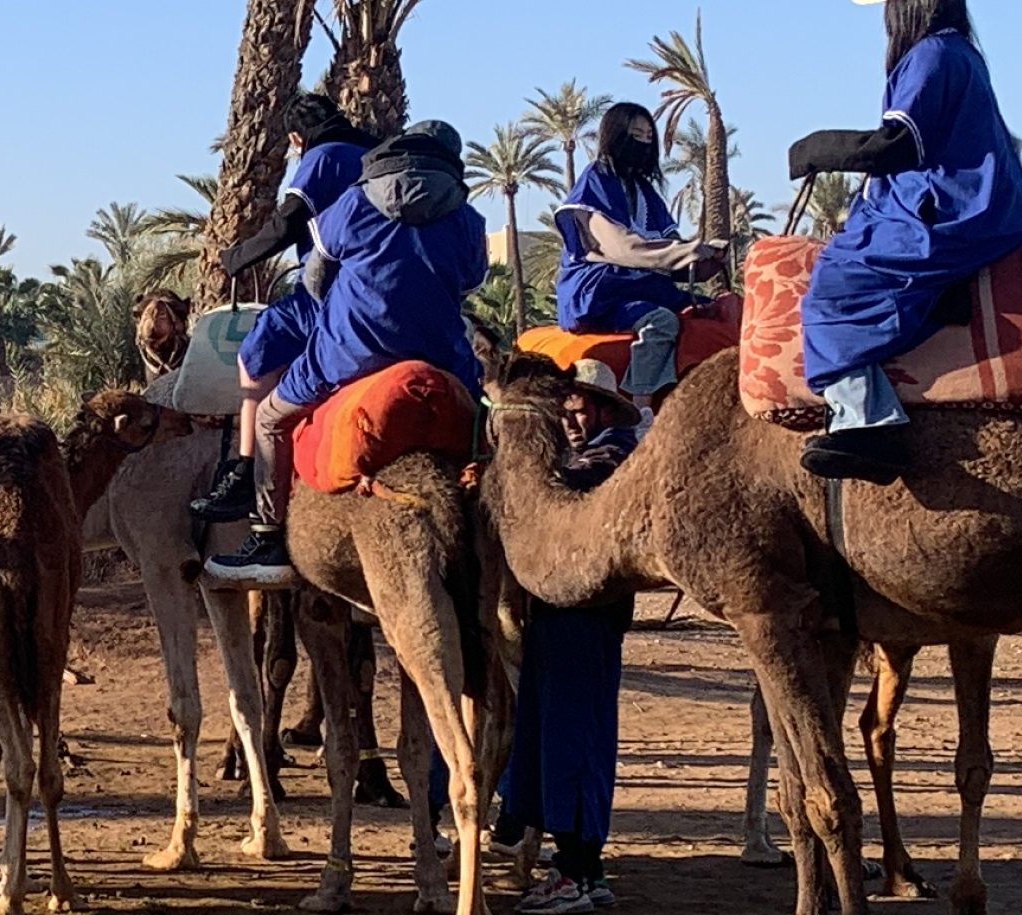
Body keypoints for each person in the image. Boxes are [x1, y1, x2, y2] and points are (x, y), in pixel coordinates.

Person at [789, 0, 1022, 483]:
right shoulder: (962, 54)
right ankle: (935, 303)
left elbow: (898, 144)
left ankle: (865, 424)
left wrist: (814, 149)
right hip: (986, 207)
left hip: (954, 211)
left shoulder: (931, 55)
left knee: (834, 285)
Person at [207, 120, 489, 586]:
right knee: (487, 420)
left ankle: (267, 538)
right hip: (443, 357)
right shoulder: (467, 218)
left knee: (269, 420)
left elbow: (316, 280)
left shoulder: (354, 202)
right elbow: (471, 281)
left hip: (347, 356)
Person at [191, 94, 377, 529]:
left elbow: (289, 221)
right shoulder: (376, 156)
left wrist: (238, 257)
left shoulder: (322, 157)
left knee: (258, 350)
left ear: (297, 137)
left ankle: (246, 473)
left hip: (328, 295)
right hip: (384, 293)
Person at [494, 362, 640, 915]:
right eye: (565, 406)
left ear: (602, 407)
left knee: (572, 738)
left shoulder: (610, 456)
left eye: (579, 404)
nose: (571, 415)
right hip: (563, 610)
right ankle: (586, 870)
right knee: (563, 735)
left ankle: (573, 873)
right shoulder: (591, 455)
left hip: (583, 611)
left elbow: (558, 490)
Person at [552, 101, 726, 409]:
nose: (644, 142)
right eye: (636, 134)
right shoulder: (596, 183)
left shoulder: (644, 190)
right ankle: (640, 407)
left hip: (642, 285)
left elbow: (671, 253)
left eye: (649, 135)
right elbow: (624, 248)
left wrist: (706, 260)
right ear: (616, 134)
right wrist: (687, 251)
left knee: (714, 312)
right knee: (661, 322)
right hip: (601, 292)